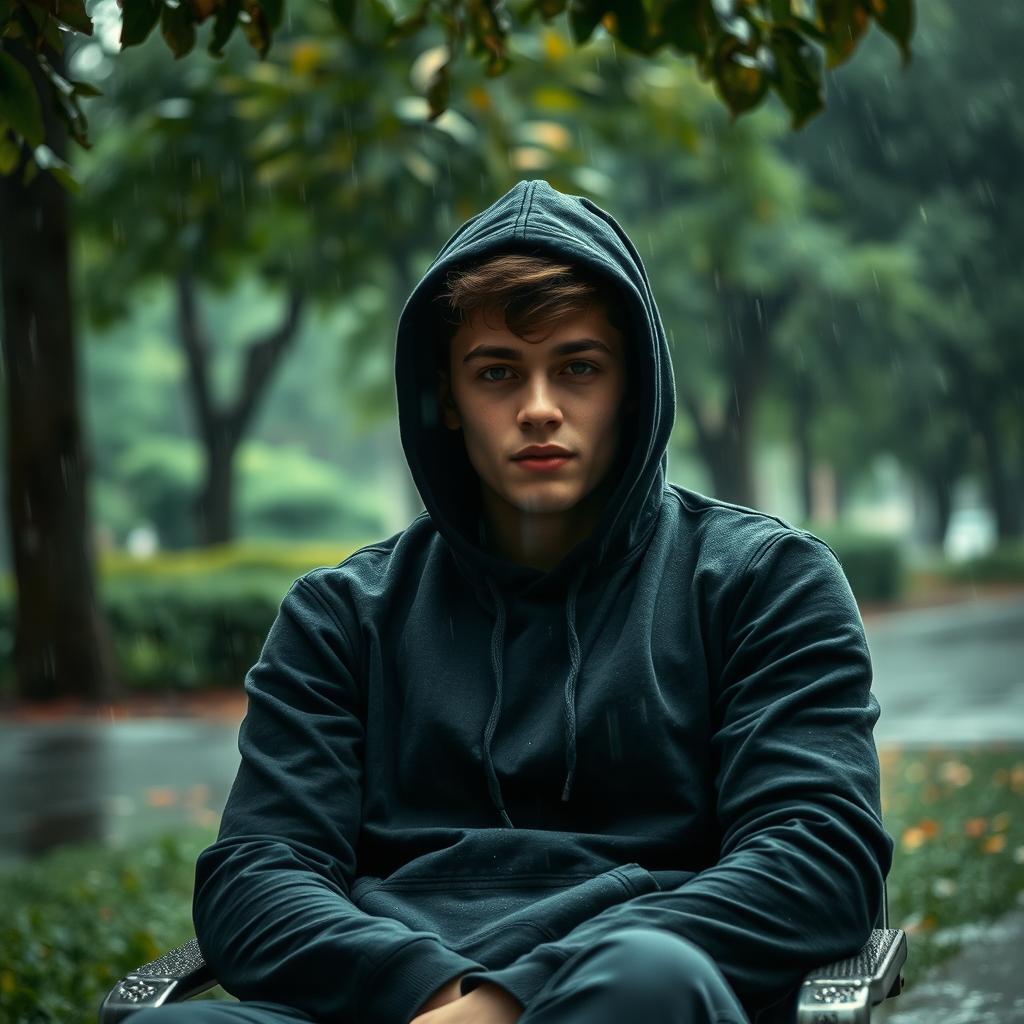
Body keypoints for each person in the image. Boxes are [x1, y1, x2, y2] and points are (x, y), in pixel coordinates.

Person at [131, 179, 892, 1024]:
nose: (538, 409)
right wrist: (431, 993)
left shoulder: (763, 584)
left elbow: (817, 857)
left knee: (647, 980)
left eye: (578, 368)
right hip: (392, 1007)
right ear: (448, 399)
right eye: (498, 372)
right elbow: (256, 874)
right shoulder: (341, 616)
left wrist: (508, 1002)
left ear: (631, 387)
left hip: (636, 996)